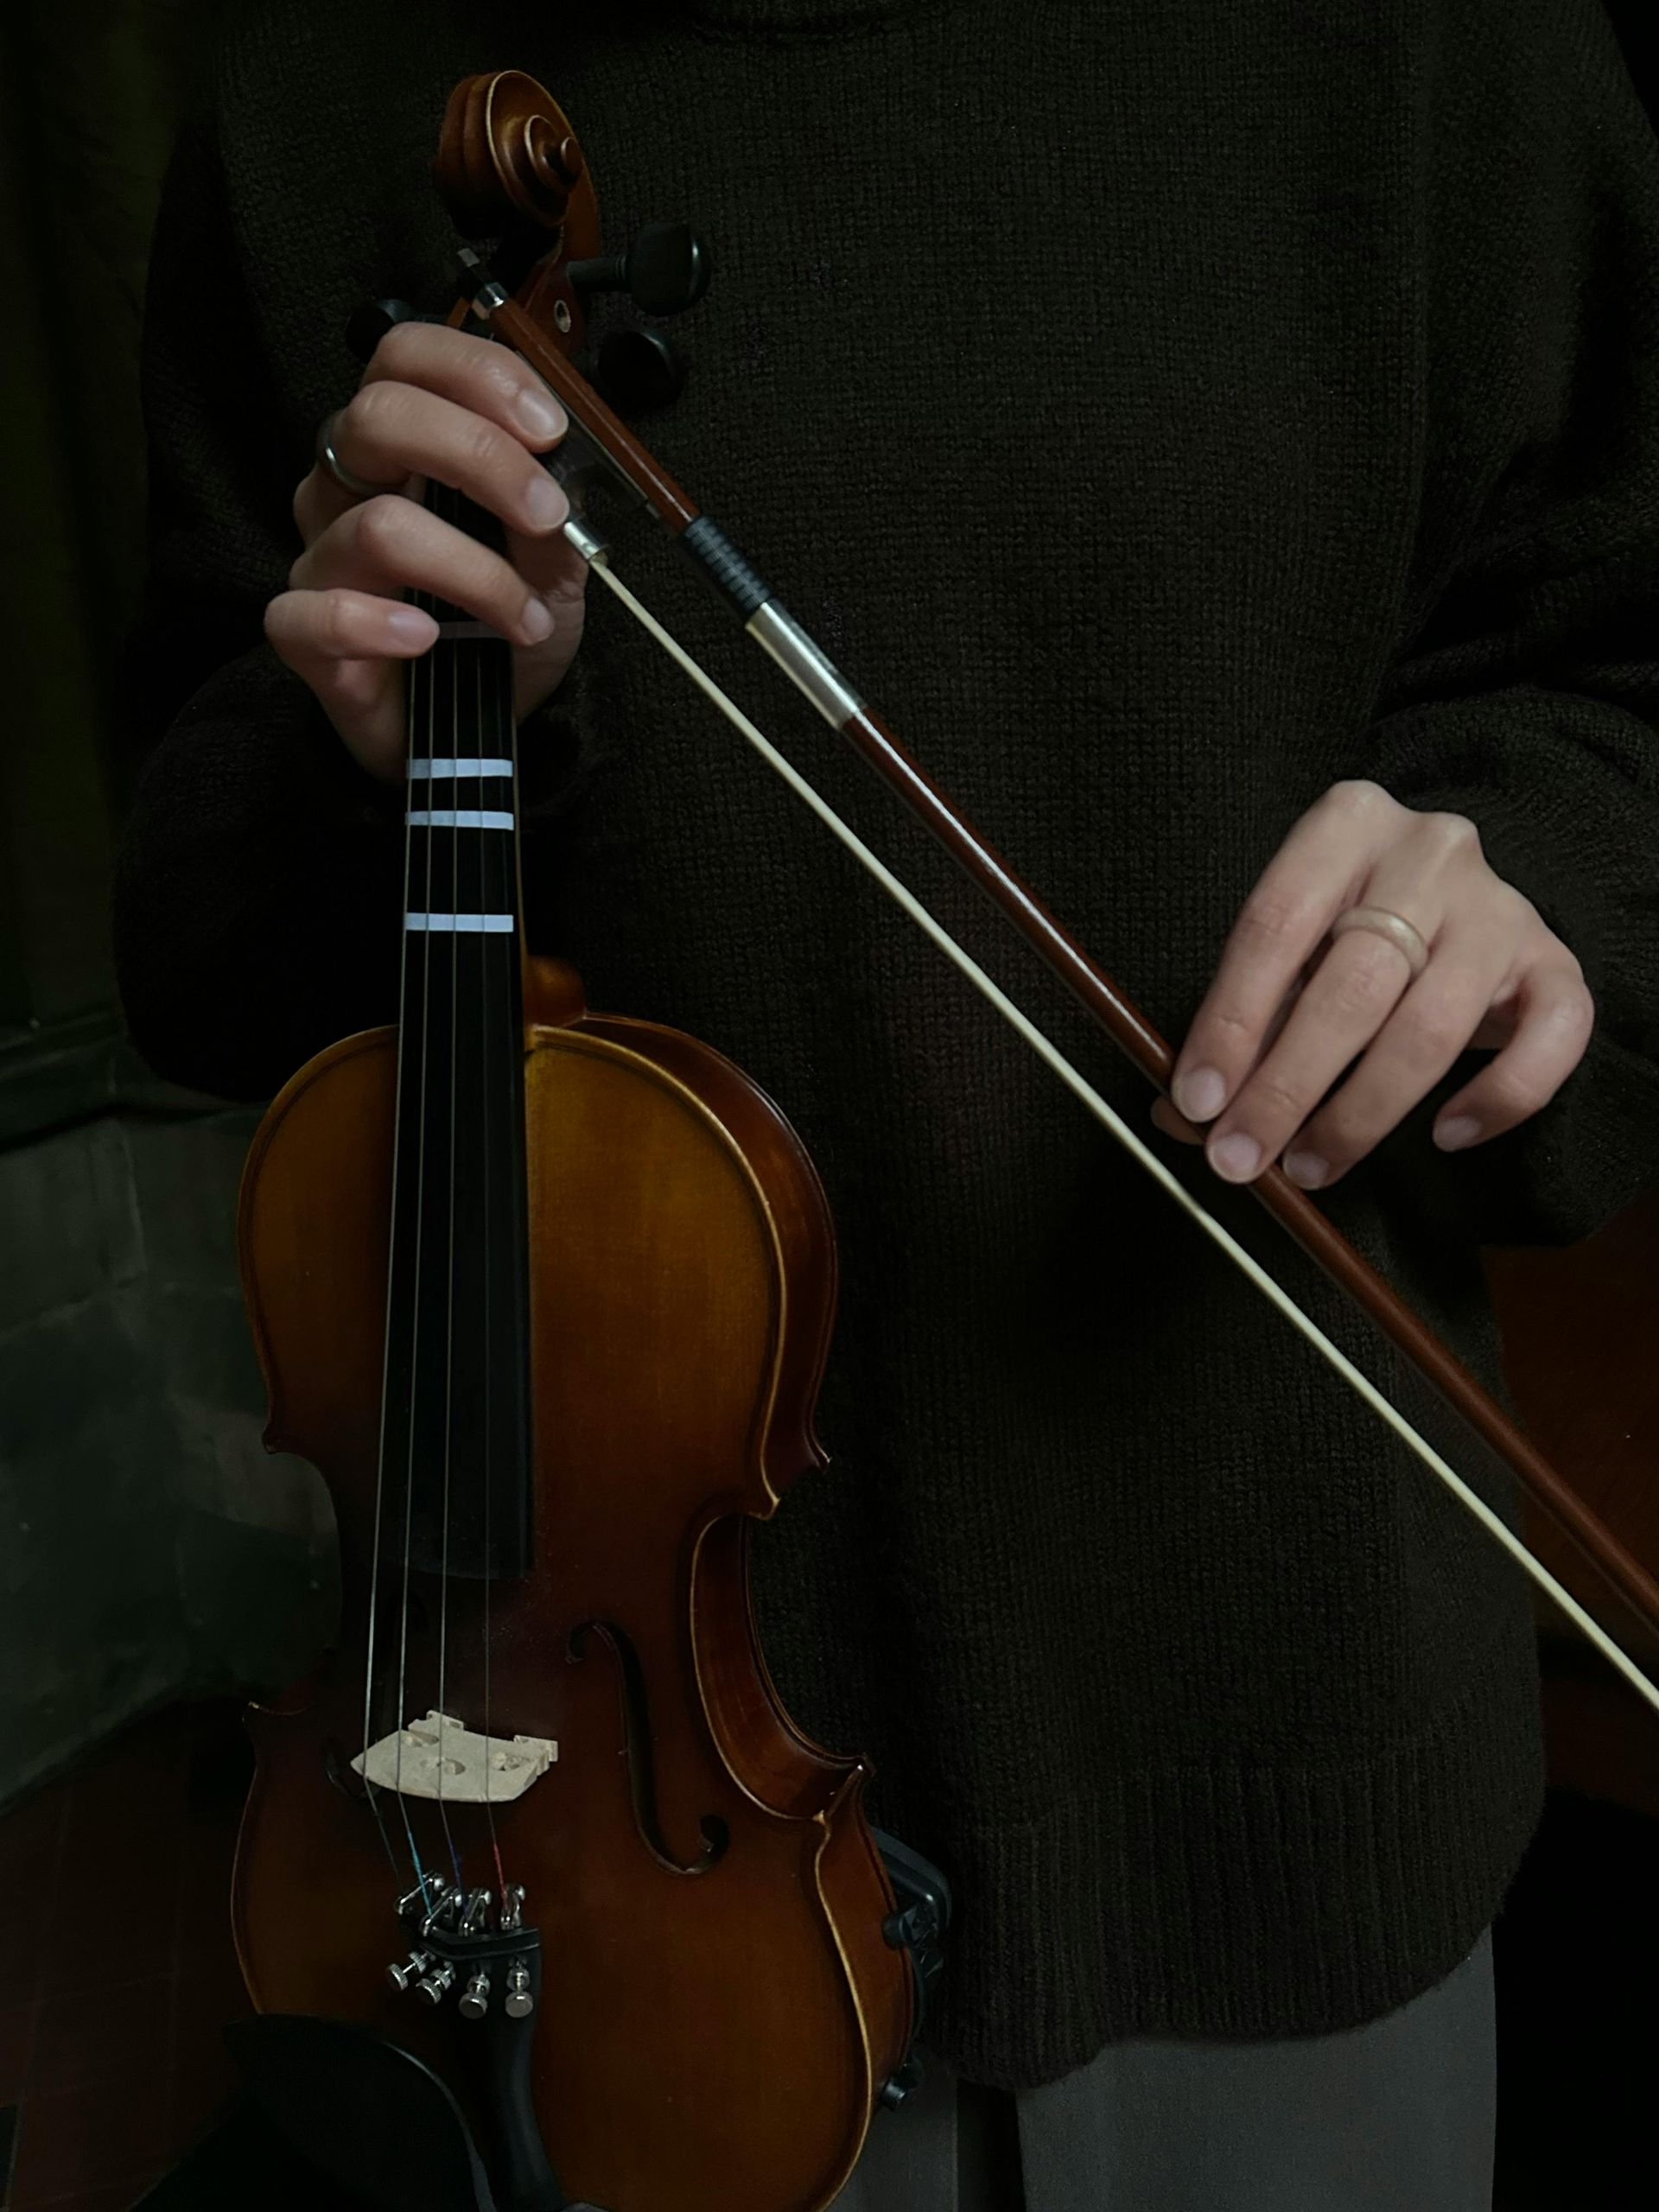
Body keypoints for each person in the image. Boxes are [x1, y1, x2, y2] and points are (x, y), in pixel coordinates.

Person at [113, 0, 1659, 2203]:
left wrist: (1541, 876)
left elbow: (1613, 673)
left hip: (1281, 1738)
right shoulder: (320, 88)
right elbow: (187, 931)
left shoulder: (1442, 55)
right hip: (581, 1837)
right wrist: (379, 739)